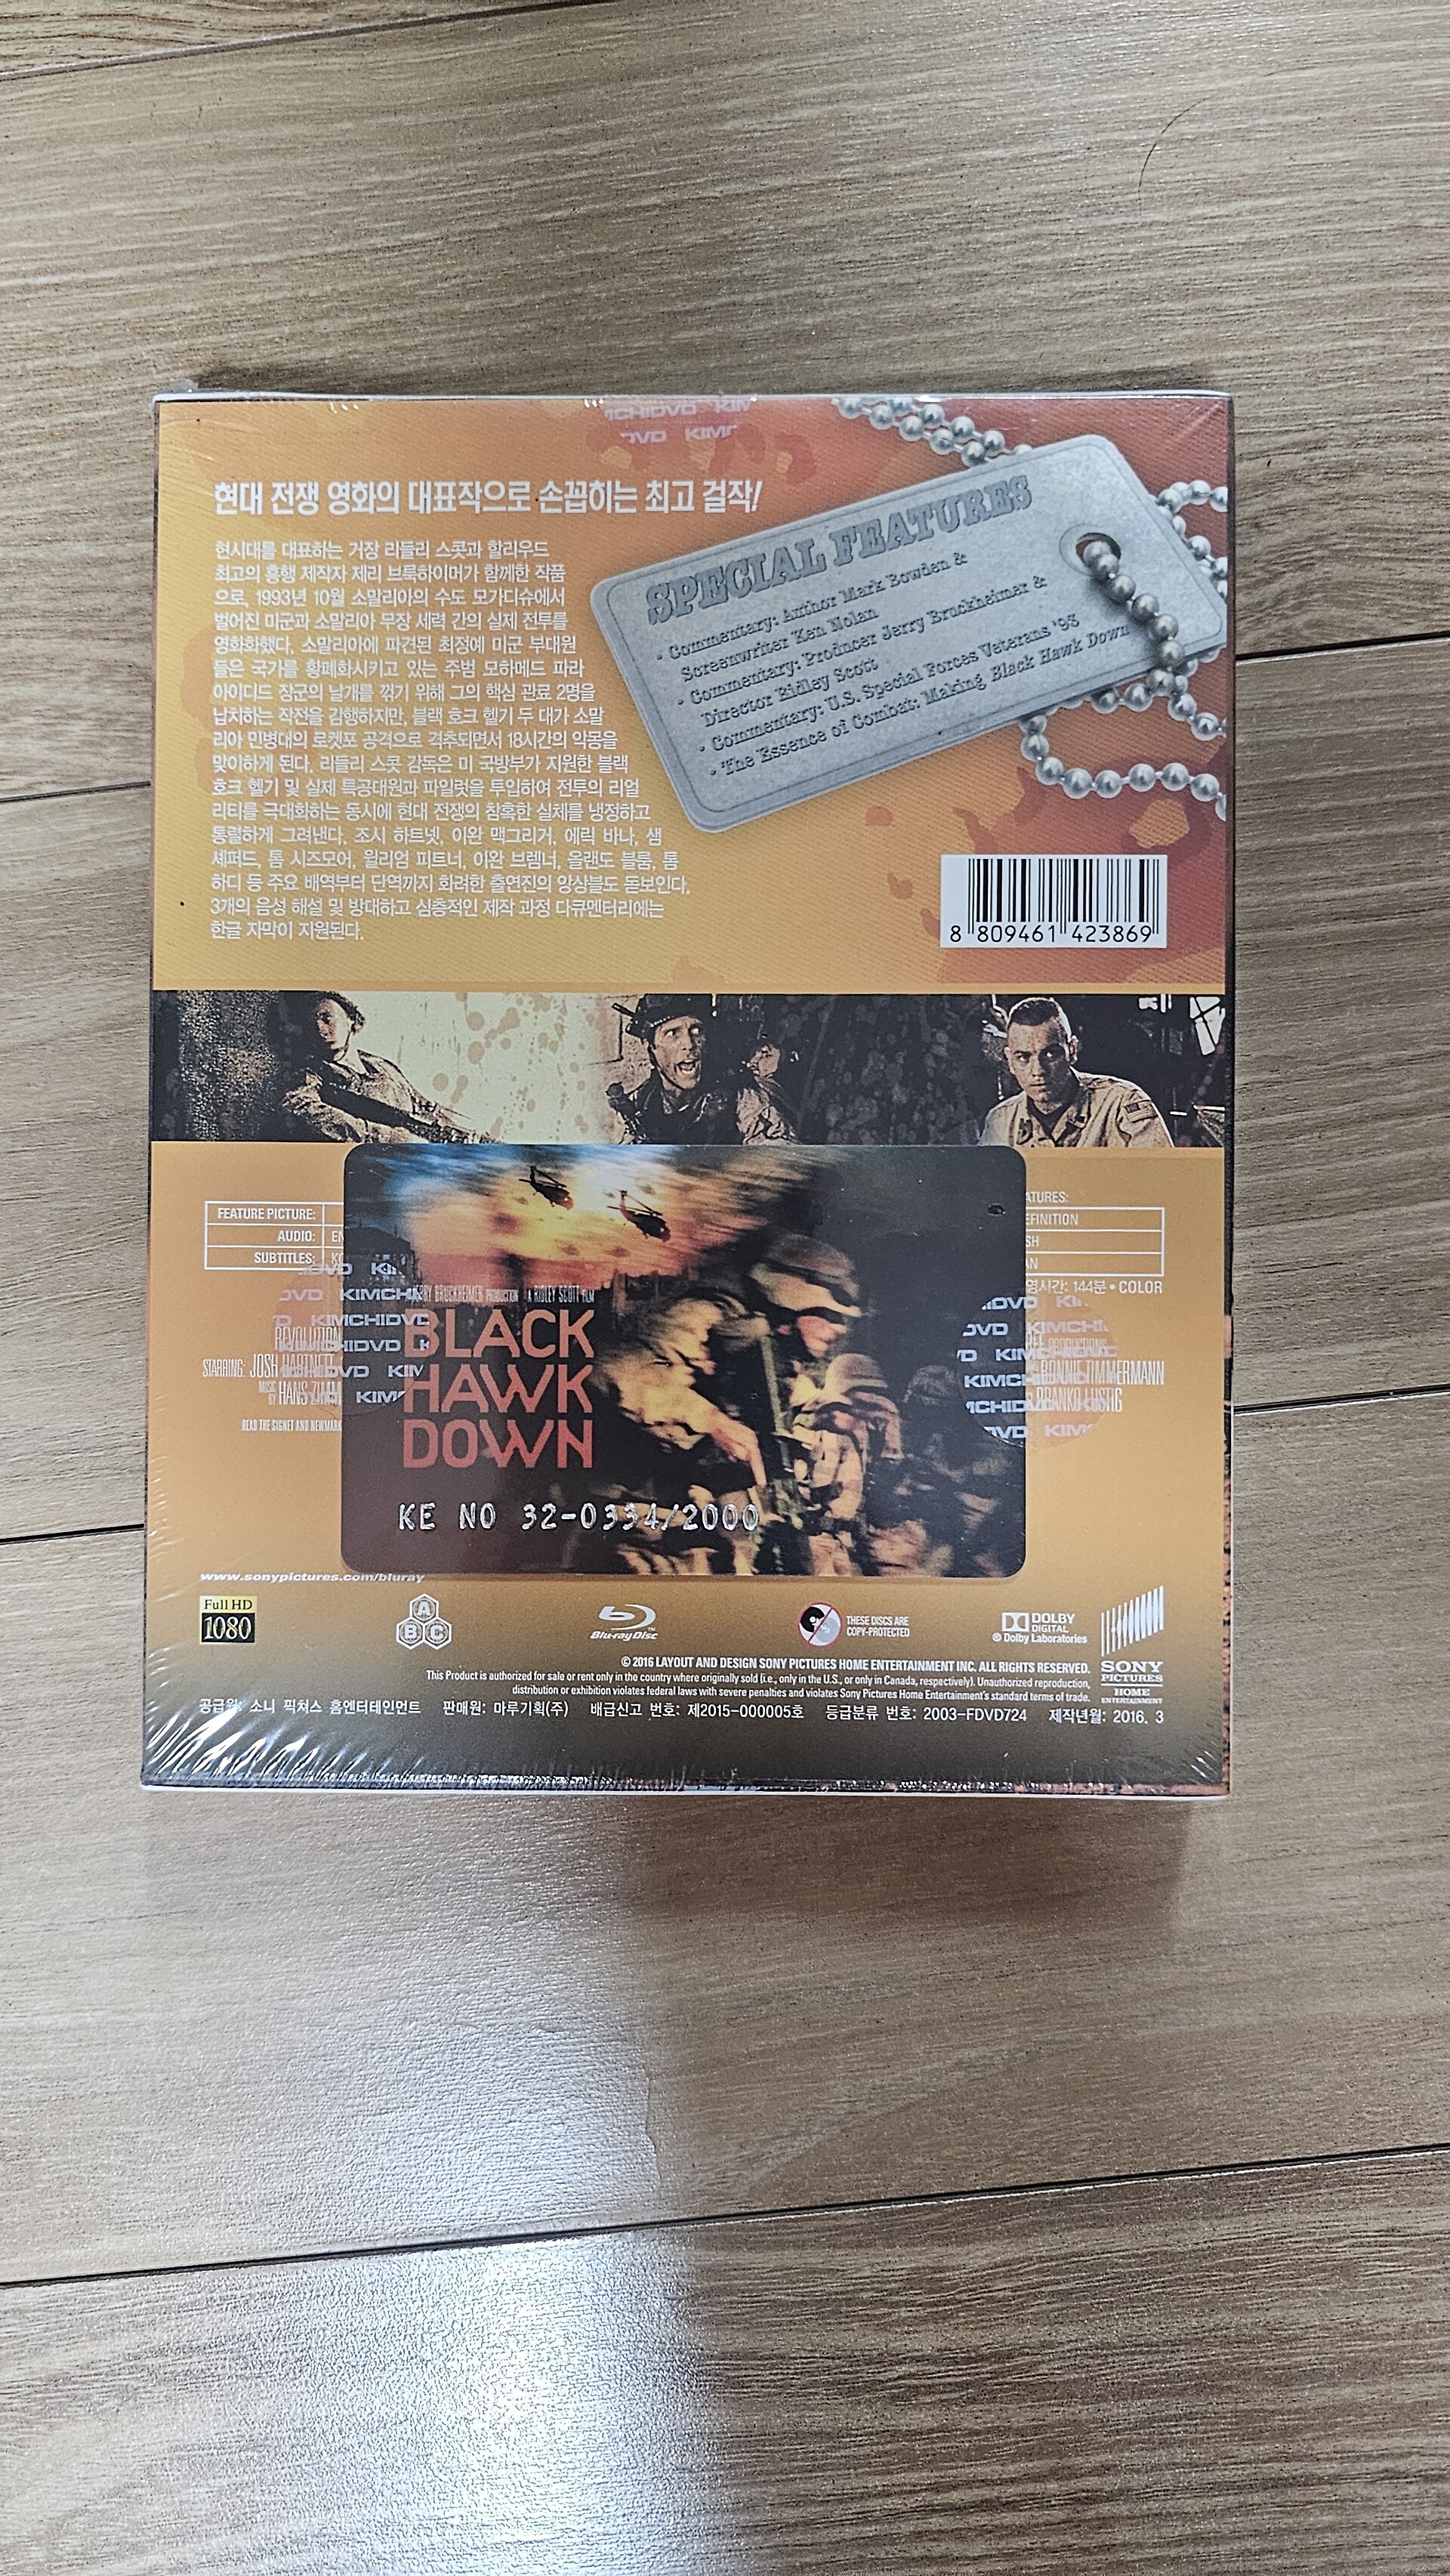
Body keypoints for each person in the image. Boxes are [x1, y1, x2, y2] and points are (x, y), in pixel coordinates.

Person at [276, 994, 482, 1144]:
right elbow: (298, 1105)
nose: (320, 1028)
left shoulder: (382, 1066)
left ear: (350, 1019)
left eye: (326, 1018)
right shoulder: (312, 1073)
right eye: (311, 1023)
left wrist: (469, 1132)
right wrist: (383, 1136)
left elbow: (425, 1107)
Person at [980, 997, 1172, 1148]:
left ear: (1072, 1050)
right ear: (1010, 1061)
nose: (1038, 1071)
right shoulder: (1001, 1122)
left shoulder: (1120, 1105)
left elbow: (1162, 1179)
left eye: (1051, 1054)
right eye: (1023, 1057)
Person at [608, 995, 796, 1144]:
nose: (689, 1044)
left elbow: (781, 1158)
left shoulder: (742, 1099)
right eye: (673, 1033)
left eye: (696, 1031)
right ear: (651, 1048)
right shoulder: (640, 1103)